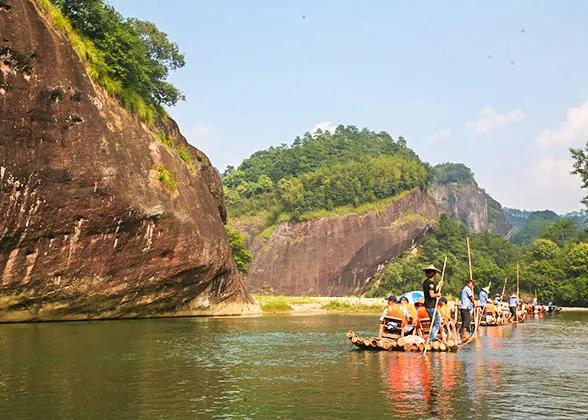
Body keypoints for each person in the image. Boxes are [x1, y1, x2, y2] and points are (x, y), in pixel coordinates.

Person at [422, 264, 443, 341]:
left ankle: (431, 337)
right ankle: (432, 338)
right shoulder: (431, 283)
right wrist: (438, 294)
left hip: (427, 305)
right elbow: (432, 294)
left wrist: (439, 285)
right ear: (434, 274)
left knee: (433, 322)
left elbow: (432, 290)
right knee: (437, 323)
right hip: (431, 306)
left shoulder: (426, 282)